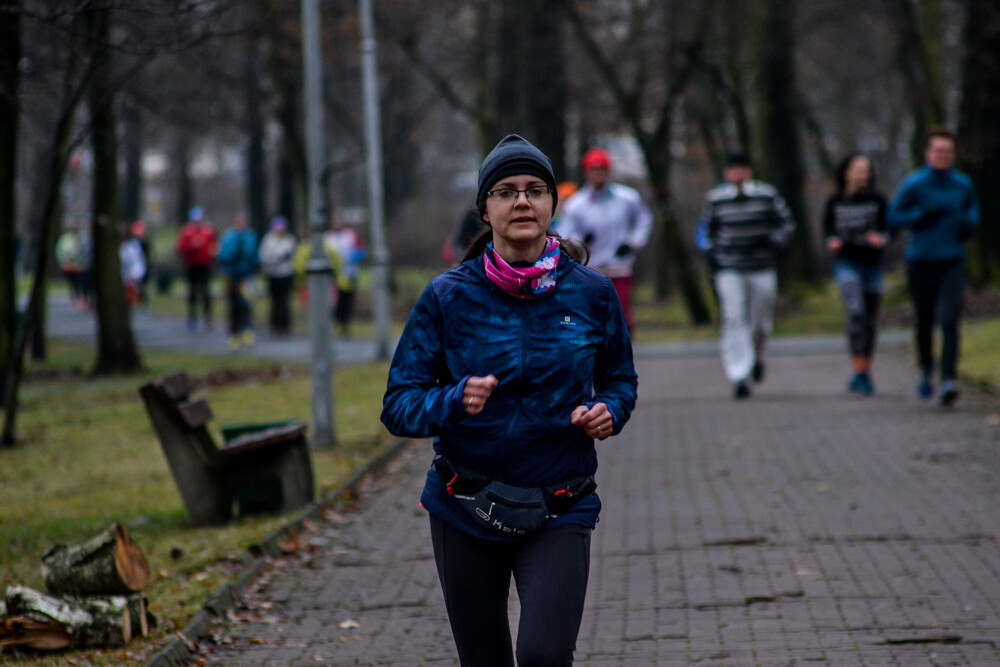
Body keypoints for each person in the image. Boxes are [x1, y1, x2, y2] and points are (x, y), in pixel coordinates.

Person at [381, 134, 638, 667]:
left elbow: (621, 379)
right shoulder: (448, 295)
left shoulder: (592, 292)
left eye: (535, 190)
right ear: (485, 209)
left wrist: (609, 410)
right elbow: (398, 404)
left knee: (544, 655)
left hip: (559, 502)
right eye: (506, 191)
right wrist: (453, 400)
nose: (522, 201)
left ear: (551, 203)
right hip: (464, 504)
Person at [887, 127, 980, 406]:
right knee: (925, 321)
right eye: (938, 151)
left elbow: (973, 210)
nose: (943, 156)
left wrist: (969, 224)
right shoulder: (914, 184)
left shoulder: (962, 184)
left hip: (952, 259)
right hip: (921, 261)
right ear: (928, 154)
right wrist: (918, 216)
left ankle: (949, 377)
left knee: (950, 320)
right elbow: (894, 216)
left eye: (948, 152)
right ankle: (927, 368)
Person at [699, 150, 795, 399]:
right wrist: (711, 252)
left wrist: (774, 241)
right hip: (729, 267)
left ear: (749, 171)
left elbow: (787, 224)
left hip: (761, 266)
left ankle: (757, 359)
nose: (737, 173)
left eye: (741, 168)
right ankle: (739, 374)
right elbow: (706, 231)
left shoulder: (767, 195)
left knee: (761, 321)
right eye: (732, 169)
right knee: (733, 318)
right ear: (726, 173)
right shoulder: (716, 198)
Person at [558, 148, 652, 333]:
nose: (598, 175)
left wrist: (633, 242)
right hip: (591, 269)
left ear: (609, 172)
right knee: (592, 317)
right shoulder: (576, 204)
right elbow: (565, 233)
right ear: (587, 172)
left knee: (622, 318)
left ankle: (623, 355)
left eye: (602, 170)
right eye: (594, 171)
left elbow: (644, 219)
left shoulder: (627, 198)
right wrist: (581, 242)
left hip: (619, 267)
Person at [823, 153, 890, 396]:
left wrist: (882, 239)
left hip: (873, 266)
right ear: (846, 173)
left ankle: (864, 371)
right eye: (858, 170)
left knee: (870, 320)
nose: (864, 174)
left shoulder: (878, 201)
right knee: (856, 313)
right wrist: (831, 241)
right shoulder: (835, 203)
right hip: (847, 264)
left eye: (866, 170)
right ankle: (858, 370)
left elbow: (889, 229)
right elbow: (827, 230)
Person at [216, 213, 259, 349]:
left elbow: (254, 256)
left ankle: (247, 331)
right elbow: (223, 255)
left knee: (246, 305)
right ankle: (233, 334)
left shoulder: (250, 236)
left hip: (247, 277)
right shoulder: (228, 236)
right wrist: (235, 251)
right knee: (233, 306)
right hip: (232, 277)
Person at [175, 206, 218, 331]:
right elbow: (180, 249)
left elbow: (214, 245)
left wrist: (213, 253)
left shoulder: (209, 231)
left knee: (206, 291)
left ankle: (208, 317)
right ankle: (192, 317)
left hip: (205, 265)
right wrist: (192, 247)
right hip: (191, 266)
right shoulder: (187, 231)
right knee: (192, 292)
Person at [323, 216, 367, 336]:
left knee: (346, 300)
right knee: (333, 300)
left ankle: (344, 324)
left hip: (349, 274)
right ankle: (334, 322)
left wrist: (354, 257)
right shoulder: (327, 238)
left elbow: (362, 250)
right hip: (332, 276)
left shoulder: (350, 235)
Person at [258, 216, 297, 336]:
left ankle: (285, 326)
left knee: (284, 301)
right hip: (273, 274)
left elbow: (293, 256)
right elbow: (263, 256)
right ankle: (274, 326)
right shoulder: (268, 240)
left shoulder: (289, 240)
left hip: (286, 274)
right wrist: (276, 259)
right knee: (274, 302)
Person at [56, 223, 90, 311]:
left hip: (77, 265)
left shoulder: (78, 238)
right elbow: (62, 251)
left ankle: (79, 300)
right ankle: (76, 300)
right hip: (72, 265)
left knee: (77, 283)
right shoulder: (67, 239)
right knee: (74, 283)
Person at [119, 224, 147, 309]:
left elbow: (135, 262)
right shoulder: (125, 246)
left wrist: (133, 275)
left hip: (131, 275)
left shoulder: (132, 246)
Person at [130, 220, 152, 305]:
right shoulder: (132, 244)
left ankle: (140, 297)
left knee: (141, 283)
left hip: (142, 266)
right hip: (134, 266)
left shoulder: (145, 243)